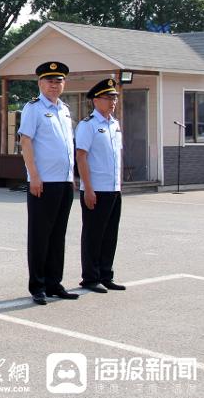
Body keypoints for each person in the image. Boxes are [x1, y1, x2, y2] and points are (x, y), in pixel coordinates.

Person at [18, 61, 79, 305]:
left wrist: (71, 177)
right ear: (40, 83)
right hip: (42, 182)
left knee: (58, 235)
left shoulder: (64, 110)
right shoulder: (33, 108)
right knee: (40, 236)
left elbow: (67, 146)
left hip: (63, 182)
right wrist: (33, 175)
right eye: (50, 80)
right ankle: (38, 286)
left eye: (59, 80)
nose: (55, 85)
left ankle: (55, 282)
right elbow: (26, 142)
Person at [75, 79, 126, 293]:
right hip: (96, 189)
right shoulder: (88, 125)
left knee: (110, 234)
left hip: (114, 188)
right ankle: (90, 277)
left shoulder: (114, 124)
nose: (113, 101)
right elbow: (81, 157)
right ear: (96, 100)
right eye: (108, 97)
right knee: (93, 234)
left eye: (114, 97)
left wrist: (119, 183)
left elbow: (117, 156)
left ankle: (106, 274)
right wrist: (88, 188)